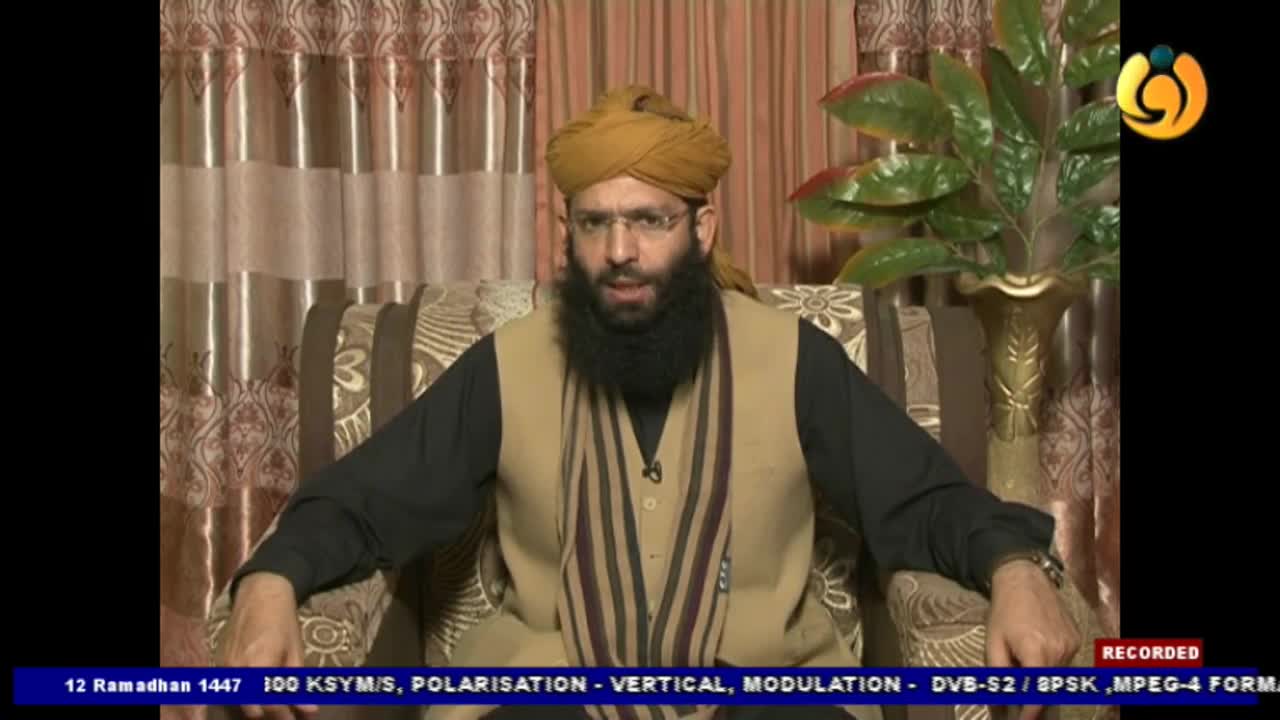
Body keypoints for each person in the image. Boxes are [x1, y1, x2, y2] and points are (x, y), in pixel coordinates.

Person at [217, 86, 1080, 720]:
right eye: (593, 223)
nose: (620, 251)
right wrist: (267, 587)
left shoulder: (791, 361)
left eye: (649, 221)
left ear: (703, 228)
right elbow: (367, 498)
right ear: (570, 233)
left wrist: (1014, 571)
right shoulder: (509, 365)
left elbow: (920, 497)